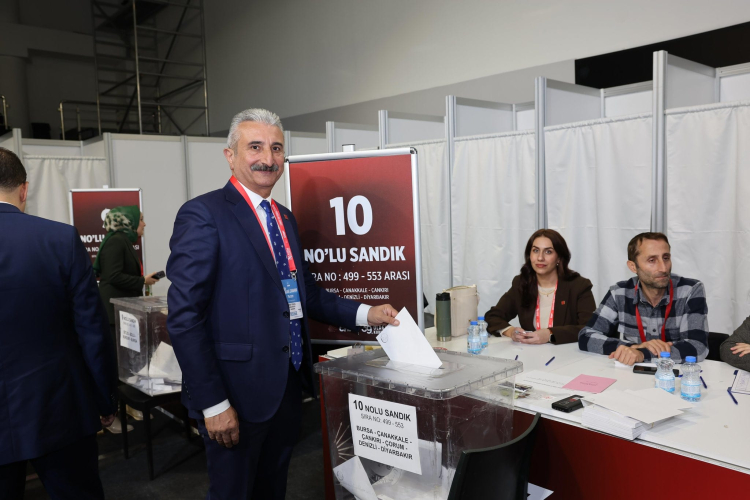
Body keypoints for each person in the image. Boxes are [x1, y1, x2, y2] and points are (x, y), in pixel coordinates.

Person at [166, 108, 400, 499]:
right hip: (234, 395)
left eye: (276, 148)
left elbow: (306, 295)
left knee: (272, 491)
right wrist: (213, 404)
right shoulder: (204, 214)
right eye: (255, 147)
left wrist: (367, 313)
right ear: (230, 156)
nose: (268, 158)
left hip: (286, 391)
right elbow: (184, 318)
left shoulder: (284, 219)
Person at [0, 147, 117, 498]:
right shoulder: (60, 239)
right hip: (59, 408)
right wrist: (105, 401)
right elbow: (92, 331)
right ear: (24, 189)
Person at [578, 232, 708, 365]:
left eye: (666, 258)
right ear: (633, 266)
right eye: (652, 260)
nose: (663, 268)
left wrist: (642, 353)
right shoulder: (619, 293)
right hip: (630, 374)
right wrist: (633, 348)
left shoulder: (690, 290)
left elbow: (697, 346)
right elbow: (586, 336)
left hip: (675, 374)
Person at [94, 205, 161, 433]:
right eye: (141, 219)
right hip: (113, 313)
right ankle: (109, 415)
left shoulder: (123, 241)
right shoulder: (116, 241)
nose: (144, 224)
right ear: (129, 222)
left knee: (127, 363)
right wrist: (142, 281)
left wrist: (142, 281)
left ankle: (128, 406)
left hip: (123, 312)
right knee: (115, 365)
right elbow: (112, 276)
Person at [484, 229, 596, 344]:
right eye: (536, 250)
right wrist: (511, 331)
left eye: (548, 252)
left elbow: (590, 328)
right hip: (530, 352)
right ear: (530, 255)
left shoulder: (579, 286)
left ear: (559, 258)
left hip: (567, 353)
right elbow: (493, 316)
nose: (540, 258)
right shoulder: (522, 283)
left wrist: (550, 334)